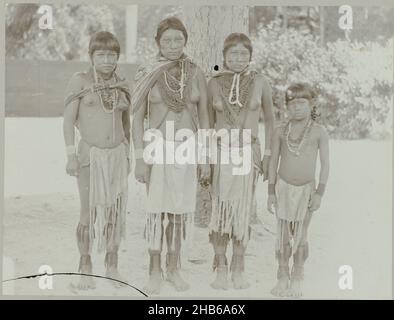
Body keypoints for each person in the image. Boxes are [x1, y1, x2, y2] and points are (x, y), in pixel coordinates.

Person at [131, 17, 211, 295]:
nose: (173, 45)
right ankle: (154, 270)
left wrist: (204, 158)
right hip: (156, 147)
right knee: (156, 212)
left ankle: (173, 268)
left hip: (186, 147)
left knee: (178, 212)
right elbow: (136, 119)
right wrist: (140, 159)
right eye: (167, 40)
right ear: (157, 43)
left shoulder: (196, 72)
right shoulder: (147, 72)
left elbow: (205, 120)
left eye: (178, 40)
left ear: (185, 41)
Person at [63, 31, 131, 290]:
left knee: (115, 212)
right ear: (91, 56)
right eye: (100, 55)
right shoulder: (79, 81)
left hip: (117, 157)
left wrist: (128, 153)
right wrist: (70, 157)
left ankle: (112, 267)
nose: (106, 60)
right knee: (87, 213)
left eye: (111, 55)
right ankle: (86, 269)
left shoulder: (122, 83)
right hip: (89, 156)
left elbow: (126, 122)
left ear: (117, 57)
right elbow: (68, 121)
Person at [207, 33, 274, 290]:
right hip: (221, 153)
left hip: (248, 153)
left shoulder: (260, 82)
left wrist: (268, 155)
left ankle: (239, 267)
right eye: (232, 54)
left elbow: (270, 121)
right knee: (221, 212)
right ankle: (221, 267)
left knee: (242, 212)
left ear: (250, 56)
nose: (237, 59)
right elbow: (207, 123)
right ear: (224, 56)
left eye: (243, 54)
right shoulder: (214, 83)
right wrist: (206, 159)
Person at [267, 82, 330, 297]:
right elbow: (273, 160)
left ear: (312, 104)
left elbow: (325, 164)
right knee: (283, 235)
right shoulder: (279, 131)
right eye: (292, 103)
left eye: (302, 102)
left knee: (301, 236)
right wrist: (271, 192)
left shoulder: (319, 132)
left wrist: (320, 193)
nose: (297, 107)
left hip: (307, 191)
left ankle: (297, 277)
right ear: (286, 106)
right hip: (283, 188)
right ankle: (282, 276)